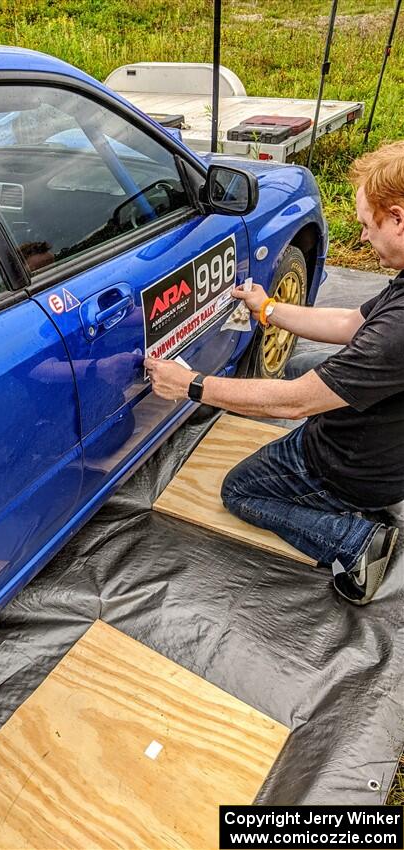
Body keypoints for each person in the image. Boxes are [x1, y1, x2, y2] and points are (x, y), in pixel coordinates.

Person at [145, 140, 404, 605]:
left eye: (368, 225)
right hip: (387, 450)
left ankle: (354, 540)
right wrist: (267, 308)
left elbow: (296, 402)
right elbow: (352, 324)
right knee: (297, 391)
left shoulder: (399, 333)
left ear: (399, 219)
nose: (363, 238)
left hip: (354, 465)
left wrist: (192, 385)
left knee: (239, 491)